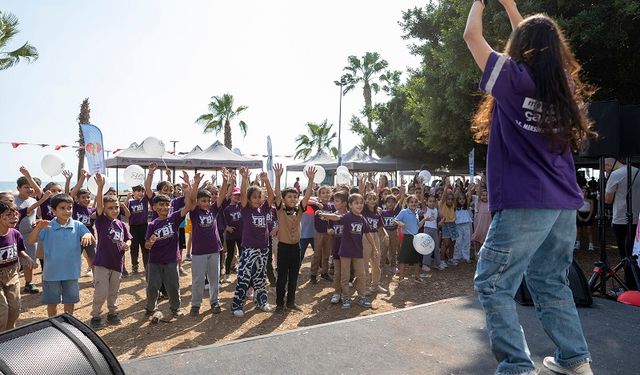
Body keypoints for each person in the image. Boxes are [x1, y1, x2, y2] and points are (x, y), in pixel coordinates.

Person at [464, 0, 595, 373]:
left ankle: (518, 367)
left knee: (492, 283)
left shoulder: (513, 78)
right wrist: (513, 8)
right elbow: (536, 48)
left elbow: (472, 35)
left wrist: (482, 2)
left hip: (525, 201)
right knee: (550, 281)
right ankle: (575, 360)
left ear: (521, 47)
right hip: (562, 204)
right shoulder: (563, 88)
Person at [28, 194, 95, 317]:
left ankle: (68, 323)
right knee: (52, 303)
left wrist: (87, 235)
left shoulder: (78, 225)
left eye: (69, 207)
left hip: (71, 273)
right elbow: (31, 241)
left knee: (70, 302)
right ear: (53, 210)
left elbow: (91, 237)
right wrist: (38, 228)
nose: (67, 211)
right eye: (62, 208)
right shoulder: (47, 226)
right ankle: (53, 324)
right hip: (51, 274)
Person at [144, 171, 194, 319]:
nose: (164, 207)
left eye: (167, 204)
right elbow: (147, 245)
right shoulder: (152, 224)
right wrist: (150, 242)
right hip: (155, 261)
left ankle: (175, 308)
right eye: (161, 205)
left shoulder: (174, 218)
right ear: (154, 208)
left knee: (173, 286)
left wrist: (187, 187)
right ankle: (150, 307)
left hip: (172, 260)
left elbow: (189, 205)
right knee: (153, 287)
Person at [230, 167, 276, 317]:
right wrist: (244, 178)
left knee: (260, 276)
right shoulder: (245, 210)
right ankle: (237, 305)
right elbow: (243, 194)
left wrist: (267, 180)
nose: (257, 200)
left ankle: (261, 301)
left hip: (264, 248)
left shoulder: (264, 209)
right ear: (249, 199)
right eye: (254, 197)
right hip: (249, 248)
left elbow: (271, 196)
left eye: (259, 197)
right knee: (244, 276)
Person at [318, 194, 376, 309]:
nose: (359, 205)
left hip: (358, 252)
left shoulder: (362, 218)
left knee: (362, 275)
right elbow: (335, 217)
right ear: (350, 205)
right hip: (345, 252)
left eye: (361, 203)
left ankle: (361, 296)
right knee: (344, 276)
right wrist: (323, 214)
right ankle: (346, 297)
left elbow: (368, 233)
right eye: (356, 203)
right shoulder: (347, 216)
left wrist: (374, 247)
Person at [90, 173, 132, 328]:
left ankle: (112, 313)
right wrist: (101, 187)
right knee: (101, 292)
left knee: (114, 292)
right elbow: (99, 205)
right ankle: (95, 316)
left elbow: (128, 238)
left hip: (117, 263)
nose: (114, 210)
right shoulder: (101, 221)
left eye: (116, 207)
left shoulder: (121, 225)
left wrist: (127, 243)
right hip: (102, 263)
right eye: (111, 208)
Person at [273, 163, 315, 313]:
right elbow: (277, 195)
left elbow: (308, 195)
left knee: (293, 277)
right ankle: (279, 304)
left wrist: (310, 180)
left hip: (295, 248)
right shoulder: (280, 209)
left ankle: (291, 302)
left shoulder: (300, 210)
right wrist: (277, 177)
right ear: (284, 199)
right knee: (282, 278)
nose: (293, 199)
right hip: (283, 248)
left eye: (295, 196)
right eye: (289, 196)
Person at [188, 170, 228, 316]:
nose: (206, 203)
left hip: (214, 250)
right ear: (198, 202)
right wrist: (196, 184)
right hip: (199, 252)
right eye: (203, 201)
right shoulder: (194, 212)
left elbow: (222, 196)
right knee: (198, 279)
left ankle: (214, 301)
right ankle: (195, 304)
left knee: (214, 278)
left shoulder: (213, 210)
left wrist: (225, 182)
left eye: (208, 200)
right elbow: (191, 199)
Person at [0, 202, 38, 331]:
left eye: (16, 214)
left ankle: (10, 333)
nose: (14, 218)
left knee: (15, 308)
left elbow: (19, 249)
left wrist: (27, 258)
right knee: (2, 311)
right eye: (9, 215)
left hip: (12, 274)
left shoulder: (15, 233)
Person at [604, 158, 640, 260]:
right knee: (635, 251)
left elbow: (608, 200)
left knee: (624, 254)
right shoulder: (637, 171)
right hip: (637, 218)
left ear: (608, 165)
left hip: (621, 218)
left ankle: (628, 274)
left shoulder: (615, 175)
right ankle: (636, 273)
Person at [394, 195, 427, 283]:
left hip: (416, 238)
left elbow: (417, 226)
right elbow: (395, 220)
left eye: (415, 202)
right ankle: (401, 278)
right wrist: (400, 223)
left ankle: (417, 277)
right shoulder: (404, 211)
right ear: (407, 203)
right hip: (407, 238)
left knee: (417, 258)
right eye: (411, 202)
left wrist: (424, 220)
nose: (413, 204)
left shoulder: (416, 213)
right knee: (403, 258)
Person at [327, 191, 348, 304]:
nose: (334, 203)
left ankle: (345, 294)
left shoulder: (350, 215)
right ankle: (337, 292)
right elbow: (329, 229)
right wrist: (331, 231)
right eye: (334, 200)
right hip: (336, 247)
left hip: (347, 249)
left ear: (344, 203)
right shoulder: (332, 216)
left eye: (337, 201)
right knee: (337, 272)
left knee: (346, 273)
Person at [310, 185, 334, 284]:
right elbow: (303, 201)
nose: (325, 195)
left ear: (330, 194)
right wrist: (316, 202)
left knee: (326, 255)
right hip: (318, 233)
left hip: (328, 233)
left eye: (327, 192)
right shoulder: (316, 205)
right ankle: (313, 274)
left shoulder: (331, 206)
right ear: (319, 195)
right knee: (317, 255)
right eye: (323, 193)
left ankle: (324, 272)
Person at [127, 184, 149, 274]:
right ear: (133, 192)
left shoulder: (144, 201)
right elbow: (125, 212)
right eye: (138, 191)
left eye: (142, 191)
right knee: (134, 248)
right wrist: (127, 199)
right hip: (134, 228)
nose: (141, 193)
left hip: (144, 227)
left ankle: (147, 266)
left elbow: (148, 189)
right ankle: (134, 266)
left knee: (145, 248)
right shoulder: (130, 202)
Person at [576, 186, 595, 252]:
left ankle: (591, 245)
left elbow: (591, 210)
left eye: (586, 192)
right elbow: (576, 209)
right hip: (580, 214)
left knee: (589, 230)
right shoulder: (578, 199)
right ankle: (577, 243)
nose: (584, 193)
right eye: (583, 191)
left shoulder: (590, 201)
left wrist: (588, 218)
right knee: (578, 231)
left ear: (588, 192)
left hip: (587, 215)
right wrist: (578, 216)